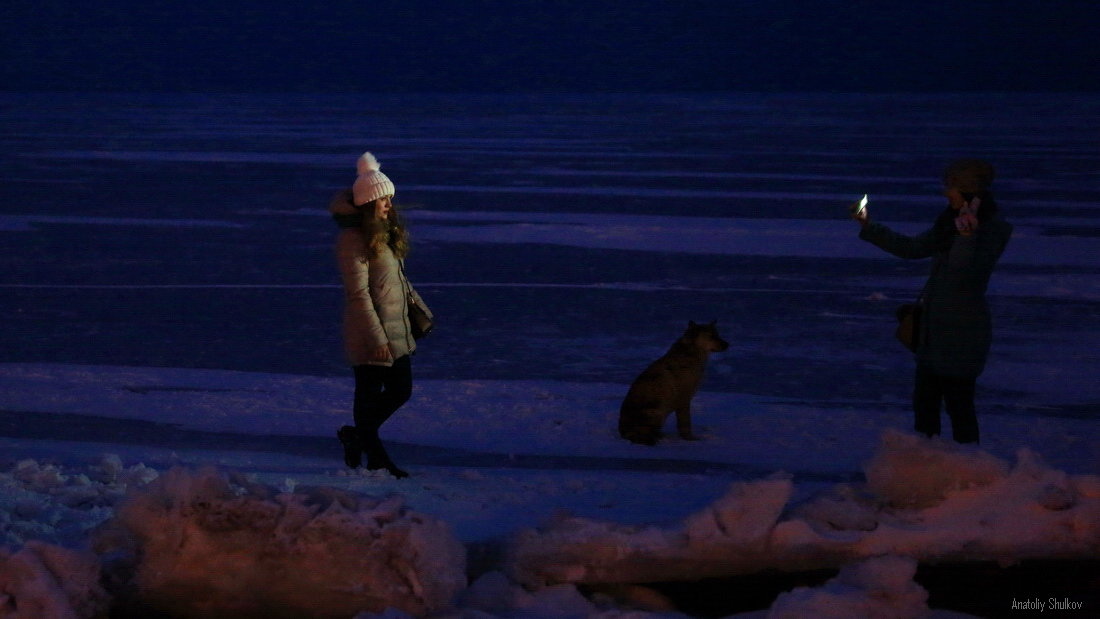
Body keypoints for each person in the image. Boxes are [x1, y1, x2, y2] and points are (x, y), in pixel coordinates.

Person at [851, 159, 1012, 443]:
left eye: (951, 188)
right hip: (934, 332)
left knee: (959, 407)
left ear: (968, 192)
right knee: (924, 406)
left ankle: (969, 473)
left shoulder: (990, 232)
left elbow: (966, 275)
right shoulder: (949, 224)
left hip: (962, 334)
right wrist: (870, 226)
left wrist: (966, 237)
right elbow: (912, 248)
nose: (945, 193)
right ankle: (927, 464)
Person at [329, 152, 433, 477]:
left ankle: (357, 438)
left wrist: (422, 311)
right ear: (369, 203)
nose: (389, 204)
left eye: (390, 198)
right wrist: (376, 340)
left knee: (401, 390)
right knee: (370, 394)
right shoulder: (352, 241)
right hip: (370, 334)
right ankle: (378, 462)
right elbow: (358, 295)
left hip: (396, 328)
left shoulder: (383, 235)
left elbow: (398, 281)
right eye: (384, 199)